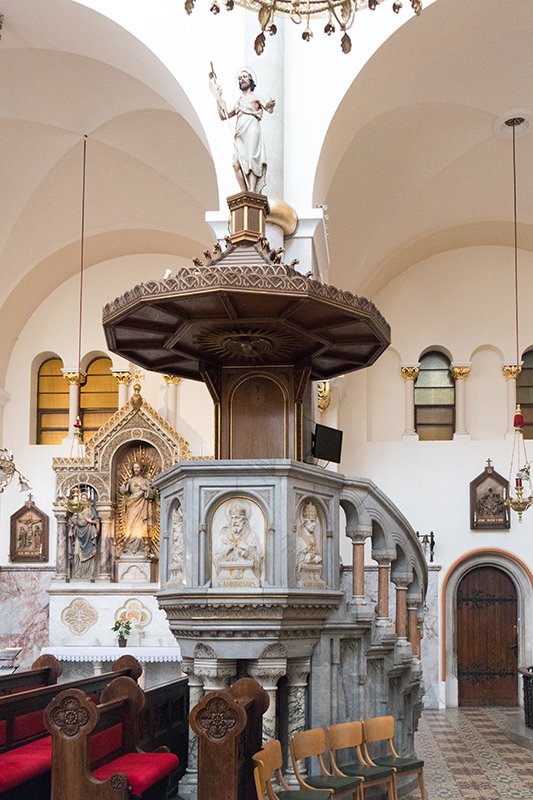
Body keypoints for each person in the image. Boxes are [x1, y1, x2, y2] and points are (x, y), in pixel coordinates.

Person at [209, 66, 275, 194]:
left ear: (250, 80)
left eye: (244, 77)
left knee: (252, 158)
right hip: (240, 133)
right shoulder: (239, 102)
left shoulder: (256, 97)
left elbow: (268, 108)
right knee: (236, 163)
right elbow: (223, 116)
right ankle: (244, 192)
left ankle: (252, 190)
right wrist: (218, 98)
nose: (242, 79)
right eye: (240, 78)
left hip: (252, 129)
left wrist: (270, 106)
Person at [215, 499, 263, 581]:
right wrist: (227, 550)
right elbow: (215, 559)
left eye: (237, 518)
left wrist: (247, 548)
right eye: (232, 518)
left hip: (249, 579)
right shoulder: (223, 537)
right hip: (226, 578)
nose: (234, 521)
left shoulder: (253, 536)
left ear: (244, 520)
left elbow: (259, 561)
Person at [119, 461, 156, 555]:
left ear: (141, 469)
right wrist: (125, 484)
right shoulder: (130, 481)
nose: (136, 469)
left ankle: (142, 547)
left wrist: (146, 489)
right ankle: (129, 545)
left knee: (141, 525)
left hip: (142, 506)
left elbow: (152, 494)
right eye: (134, 468)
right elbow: (122, 491)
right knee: (130, 525)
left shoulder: (146, 481)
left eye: (138, 467)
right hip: (131, 505)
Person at [68, 489, 100, 579]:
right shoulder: (77, 510)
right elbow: (72, 521)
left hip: (88, 532)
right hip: (78, 533)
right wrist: (70, 529)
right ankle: (77, 573)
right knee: (77, 552)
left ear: (88, 499)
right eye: (82, 498)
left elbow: (97, 520)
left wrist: (91, 521)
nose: (83, 500)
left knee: (89, 552)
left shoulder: (91, 509)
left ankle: (89, 574)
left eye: (85, 498)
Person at [295, 501, 322, 574]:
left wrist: (313, 557)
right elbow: (299, 558)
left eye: (315, 521)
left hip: (314, 572)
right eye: (311, 521)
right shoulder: (299, 539)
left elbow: (317, 555)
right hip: (303, 573)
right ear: (304, 521)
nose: (314, 524)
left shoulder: (313, 538)